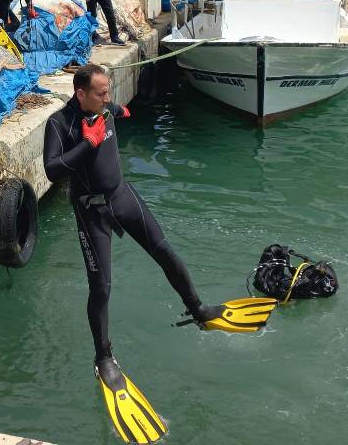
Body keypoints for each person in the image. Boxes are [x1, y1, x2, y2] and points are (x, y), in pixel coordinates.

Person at [42, 64, 230, 433]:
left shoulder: (107, 109)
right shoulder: (58, 124)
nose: (108, 98)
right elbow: (51, 170)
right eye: (100, 92)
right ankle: (104, 358)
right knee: (102, 287)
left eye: (108, 91)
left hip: (124, 197)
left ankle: (198, 309)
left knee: (164, 251)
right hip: (91, 211)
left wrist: (119, 111)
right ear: (80, 93)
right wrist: (88, 144)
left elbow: (118, 111)